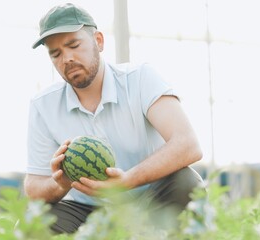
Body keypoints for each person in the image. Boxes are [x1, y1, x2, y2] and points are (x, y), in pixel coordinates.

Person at [24, 3, 204, 234]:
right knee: (34, 223)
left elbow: (188, 144)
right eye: (55, 53)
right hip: (85, 212)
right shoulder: (43, 105)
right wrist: (60, 182)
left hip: (149, 198)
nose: (66, 58)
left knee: (186, 183)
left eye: (74, 45)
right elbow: (34, 187)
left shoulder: (140, 79)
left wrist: (128, 180)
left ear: (98, 41)